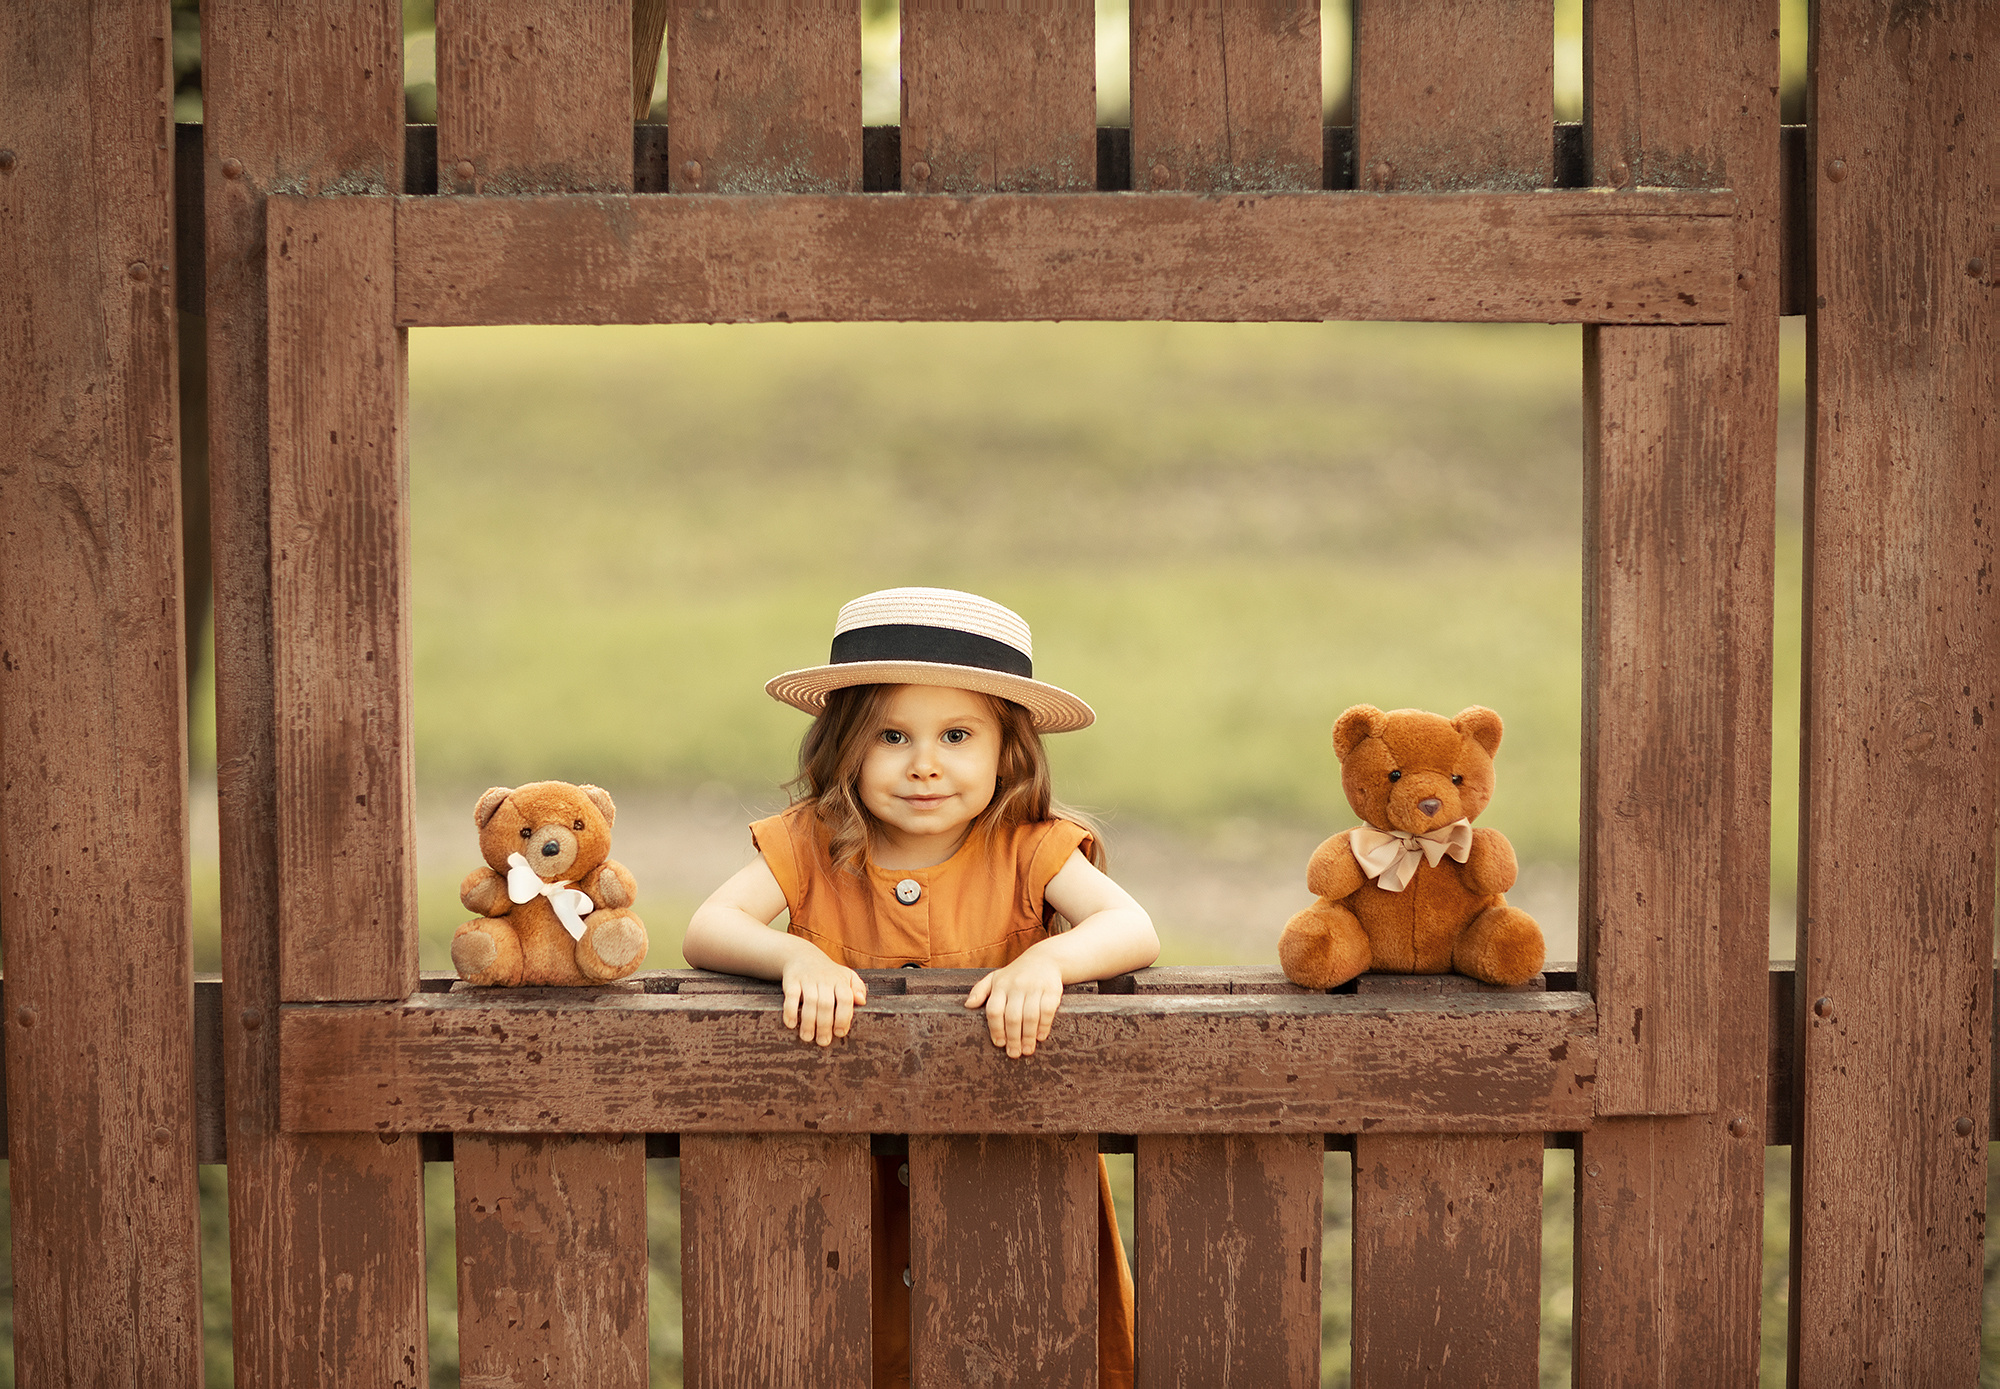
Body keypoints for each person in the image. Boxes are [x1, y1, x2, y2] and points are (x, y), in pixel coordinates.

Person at [685, 586, 1158, 1389]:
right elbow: (709, 925)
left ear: (1008, 751)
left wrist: (1047, 962)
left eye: (957, 735)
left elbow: (1131, 927)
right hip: (847, 1187)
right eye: (892, 735)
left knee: (1022, 1349)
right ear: (845, 746)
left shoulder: (1029, 845)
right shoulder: (812, 841)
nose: (924, 762)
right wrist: (794, 956)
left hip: (1007, 1175)